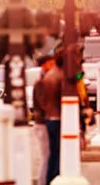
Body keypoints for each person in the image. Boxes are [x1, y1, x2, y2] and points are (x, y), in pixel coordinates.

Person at [41, 48, 65, 184]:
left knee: (53, 152)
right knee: (57, 152)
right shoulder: (59, 76)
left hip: (49, 117)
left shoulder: (50, 75)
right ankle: (54, 177)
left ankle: (50, 178)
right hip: (57, 118)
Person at [32, 54, 55, 185]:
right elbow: (43, 103)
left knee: (48, 155)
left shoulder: (44, 80)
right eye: (50, 63)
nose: (53, 66)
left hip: (45, 122)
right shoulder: (41, 82)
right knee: (46, 156)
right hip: (43, 123)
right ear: (44, 65)